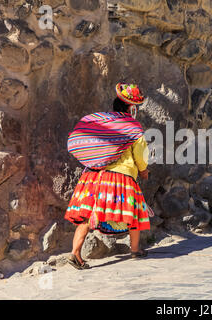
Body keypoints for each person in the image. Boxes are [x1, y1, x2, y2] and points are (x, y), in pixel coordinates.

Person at [64, 83, 150, 270]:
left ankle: (75, 253)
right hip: (121, 178)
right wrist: (143, 170)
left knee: (87, 216)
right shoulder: (132, 127)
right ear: (132, 109)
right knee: (133, 212)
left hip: (94, 176)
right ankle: (135, 249)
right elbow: (141, 153)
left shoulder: (102, 121)